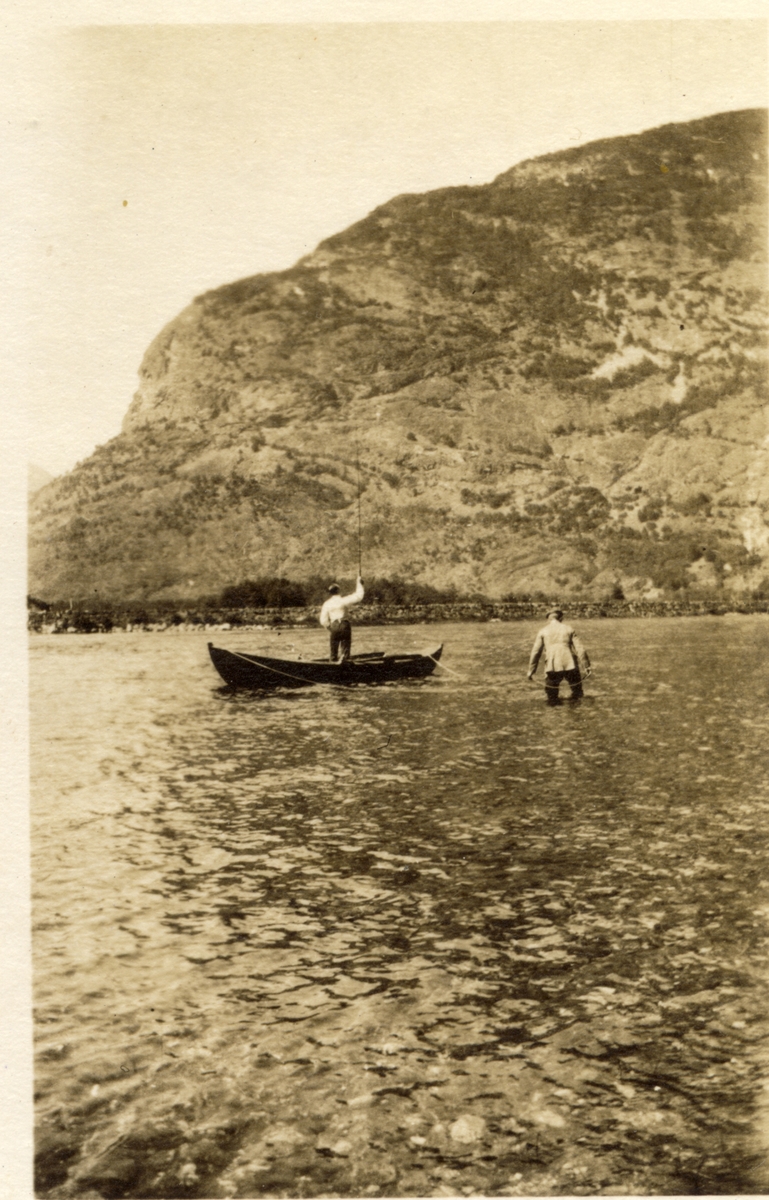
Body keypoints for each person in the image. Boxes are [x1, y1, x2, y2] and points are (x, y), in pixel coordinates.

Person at [527, 607, 591, 704]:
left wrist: (531, 671)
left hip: (552, 666)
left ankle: (554, 714)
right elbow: (580, 649)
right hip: (571, 664)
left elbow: (536, 652)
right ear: (561, 618)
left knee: (551, 697)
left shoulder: (543, 631)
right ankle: (576, 713)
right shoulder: (569, 629)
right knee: (577, 694)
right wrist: (586, 666)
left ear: (548, 619)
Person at [319, 576, 364, 663]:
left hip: (334, 625)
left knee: (333, 650)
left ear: (330, 593)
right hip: (344, 625)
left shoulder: (327, 604)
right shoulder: (343, 600)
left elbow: (323, 620)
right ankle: (345, 663)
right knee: (345, 649)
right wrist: (359, 583)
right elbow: (359, 596)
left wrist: (331, 628)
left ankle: (332, 663)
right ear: (339, 591)